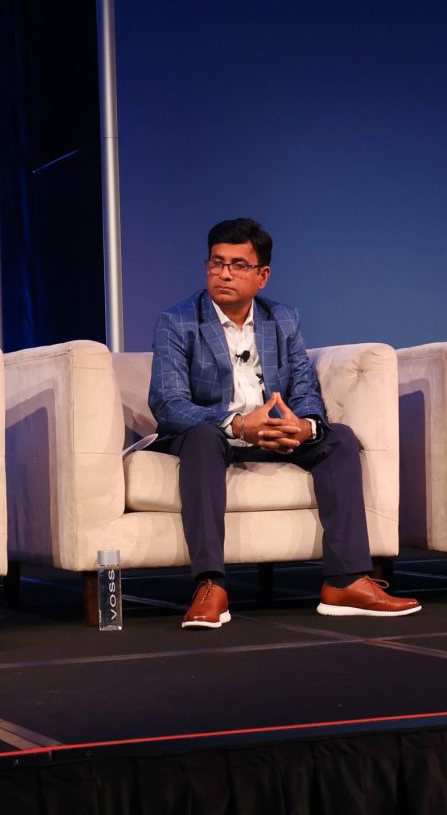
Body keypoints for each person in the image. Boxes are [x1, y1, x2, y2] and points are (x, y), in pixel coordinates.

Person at [146, 217, 418, 628]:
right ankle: (210, 586)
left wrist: (303, 425)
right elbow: (168, 404)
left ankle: (345, 582)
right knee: (202, 438)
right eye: (217, 262)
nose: (224, 273)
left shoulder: (283, 319)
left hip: (271, 436)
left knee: (339, 439)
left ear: (263, 276)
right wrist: (237, 425)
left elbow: (304, 387)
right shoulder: (178, 321)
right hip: (213, 435)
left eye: (239, 265)